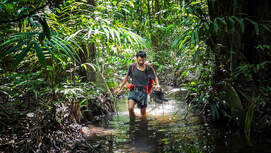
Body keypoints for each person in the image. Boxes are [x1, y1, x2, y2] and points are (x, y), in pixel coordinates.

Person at [114, 51, 161, 120]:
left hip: (143, 92)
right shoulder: (132, 67)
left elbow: (155, 77)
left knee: (143, 114)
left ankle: (142, 126)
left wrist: (157, 84)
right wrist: (119, 88)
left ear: (145, 59)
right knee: (130, 108)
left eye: (143, 60)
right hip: (133, 90)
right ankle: (132, 124)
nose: (141, 62)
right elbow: (126, 78)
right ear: (136, 58)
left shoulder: (148, 67)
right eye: (139, 60)